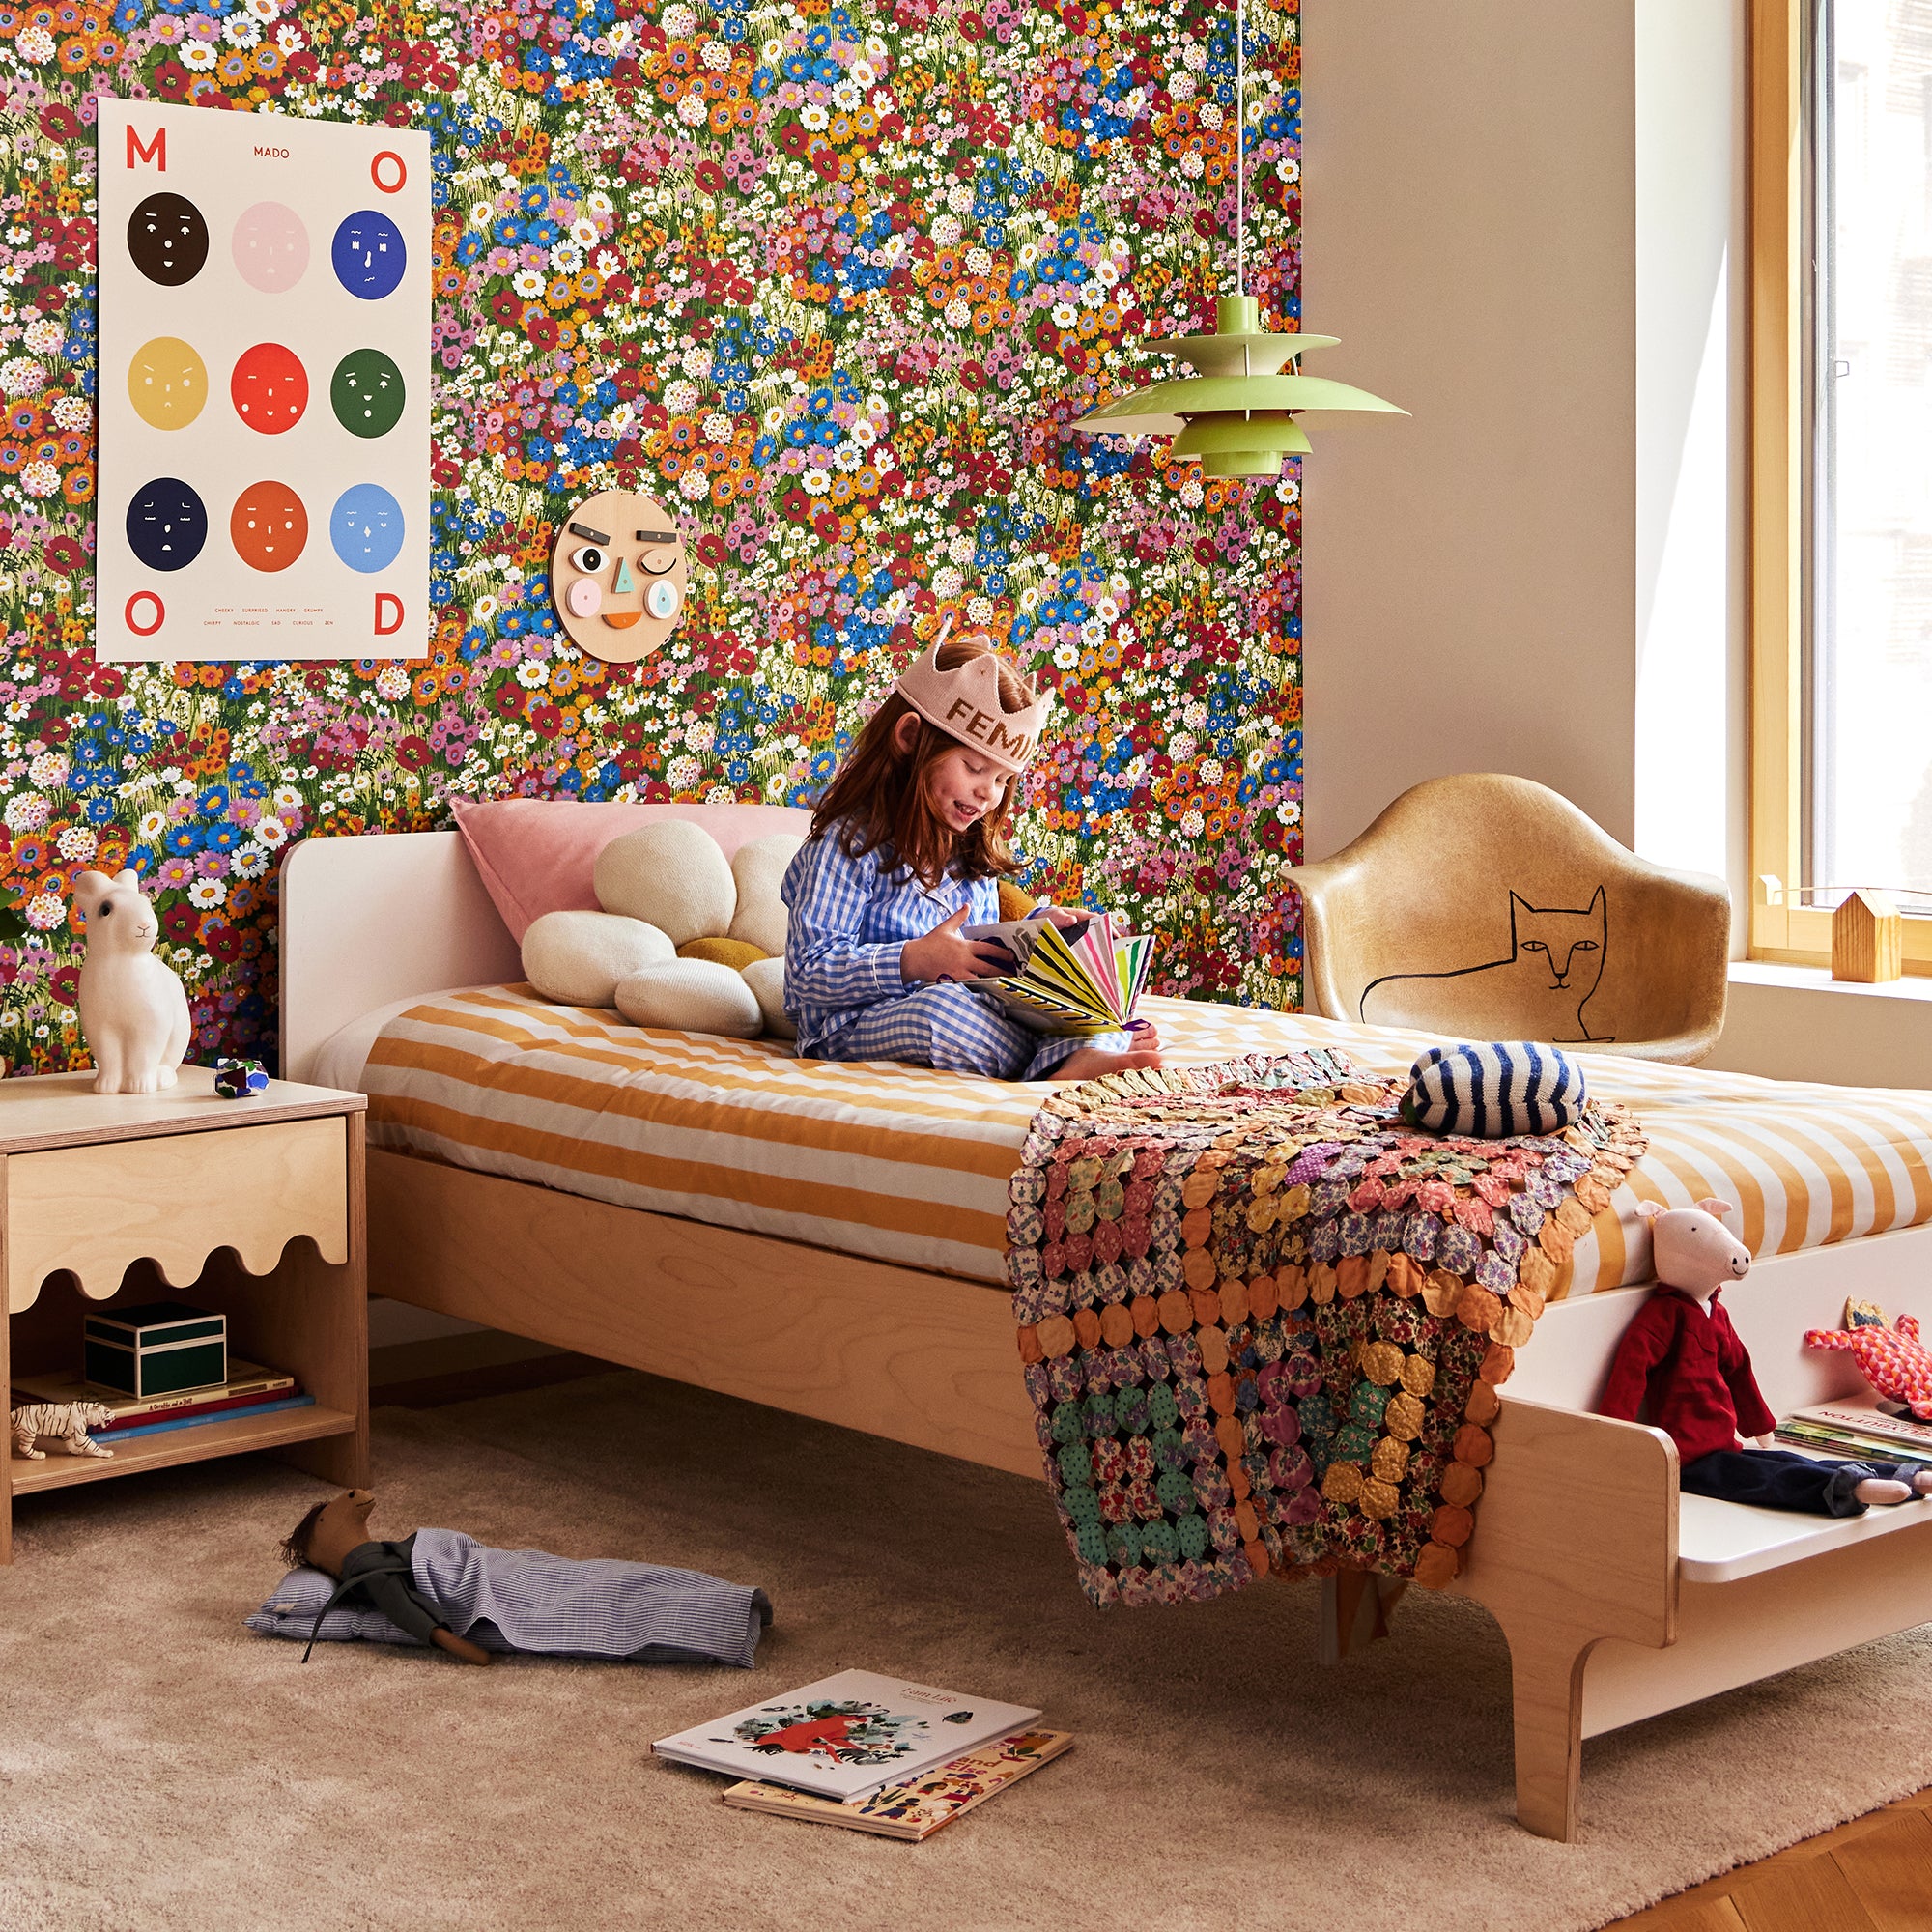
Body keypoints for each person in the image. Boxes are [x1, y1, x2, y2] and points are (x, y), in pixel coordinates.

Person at [781, 629, 1165, 1083]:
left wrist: (1043, 936)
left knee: (1087, 1002)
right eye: (975, 768)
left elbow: (984, 954)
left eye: (1002, 780)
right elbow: (806, 973)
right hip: (854, 1024)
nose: (988, 793)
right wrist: (913, 960)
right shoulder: (846, 846)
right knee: (941, 1013)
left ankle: (1083, 1048)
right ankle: (1062, 1063)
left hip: (975, 1006)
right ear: (909, 739)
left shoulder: (967, 857)